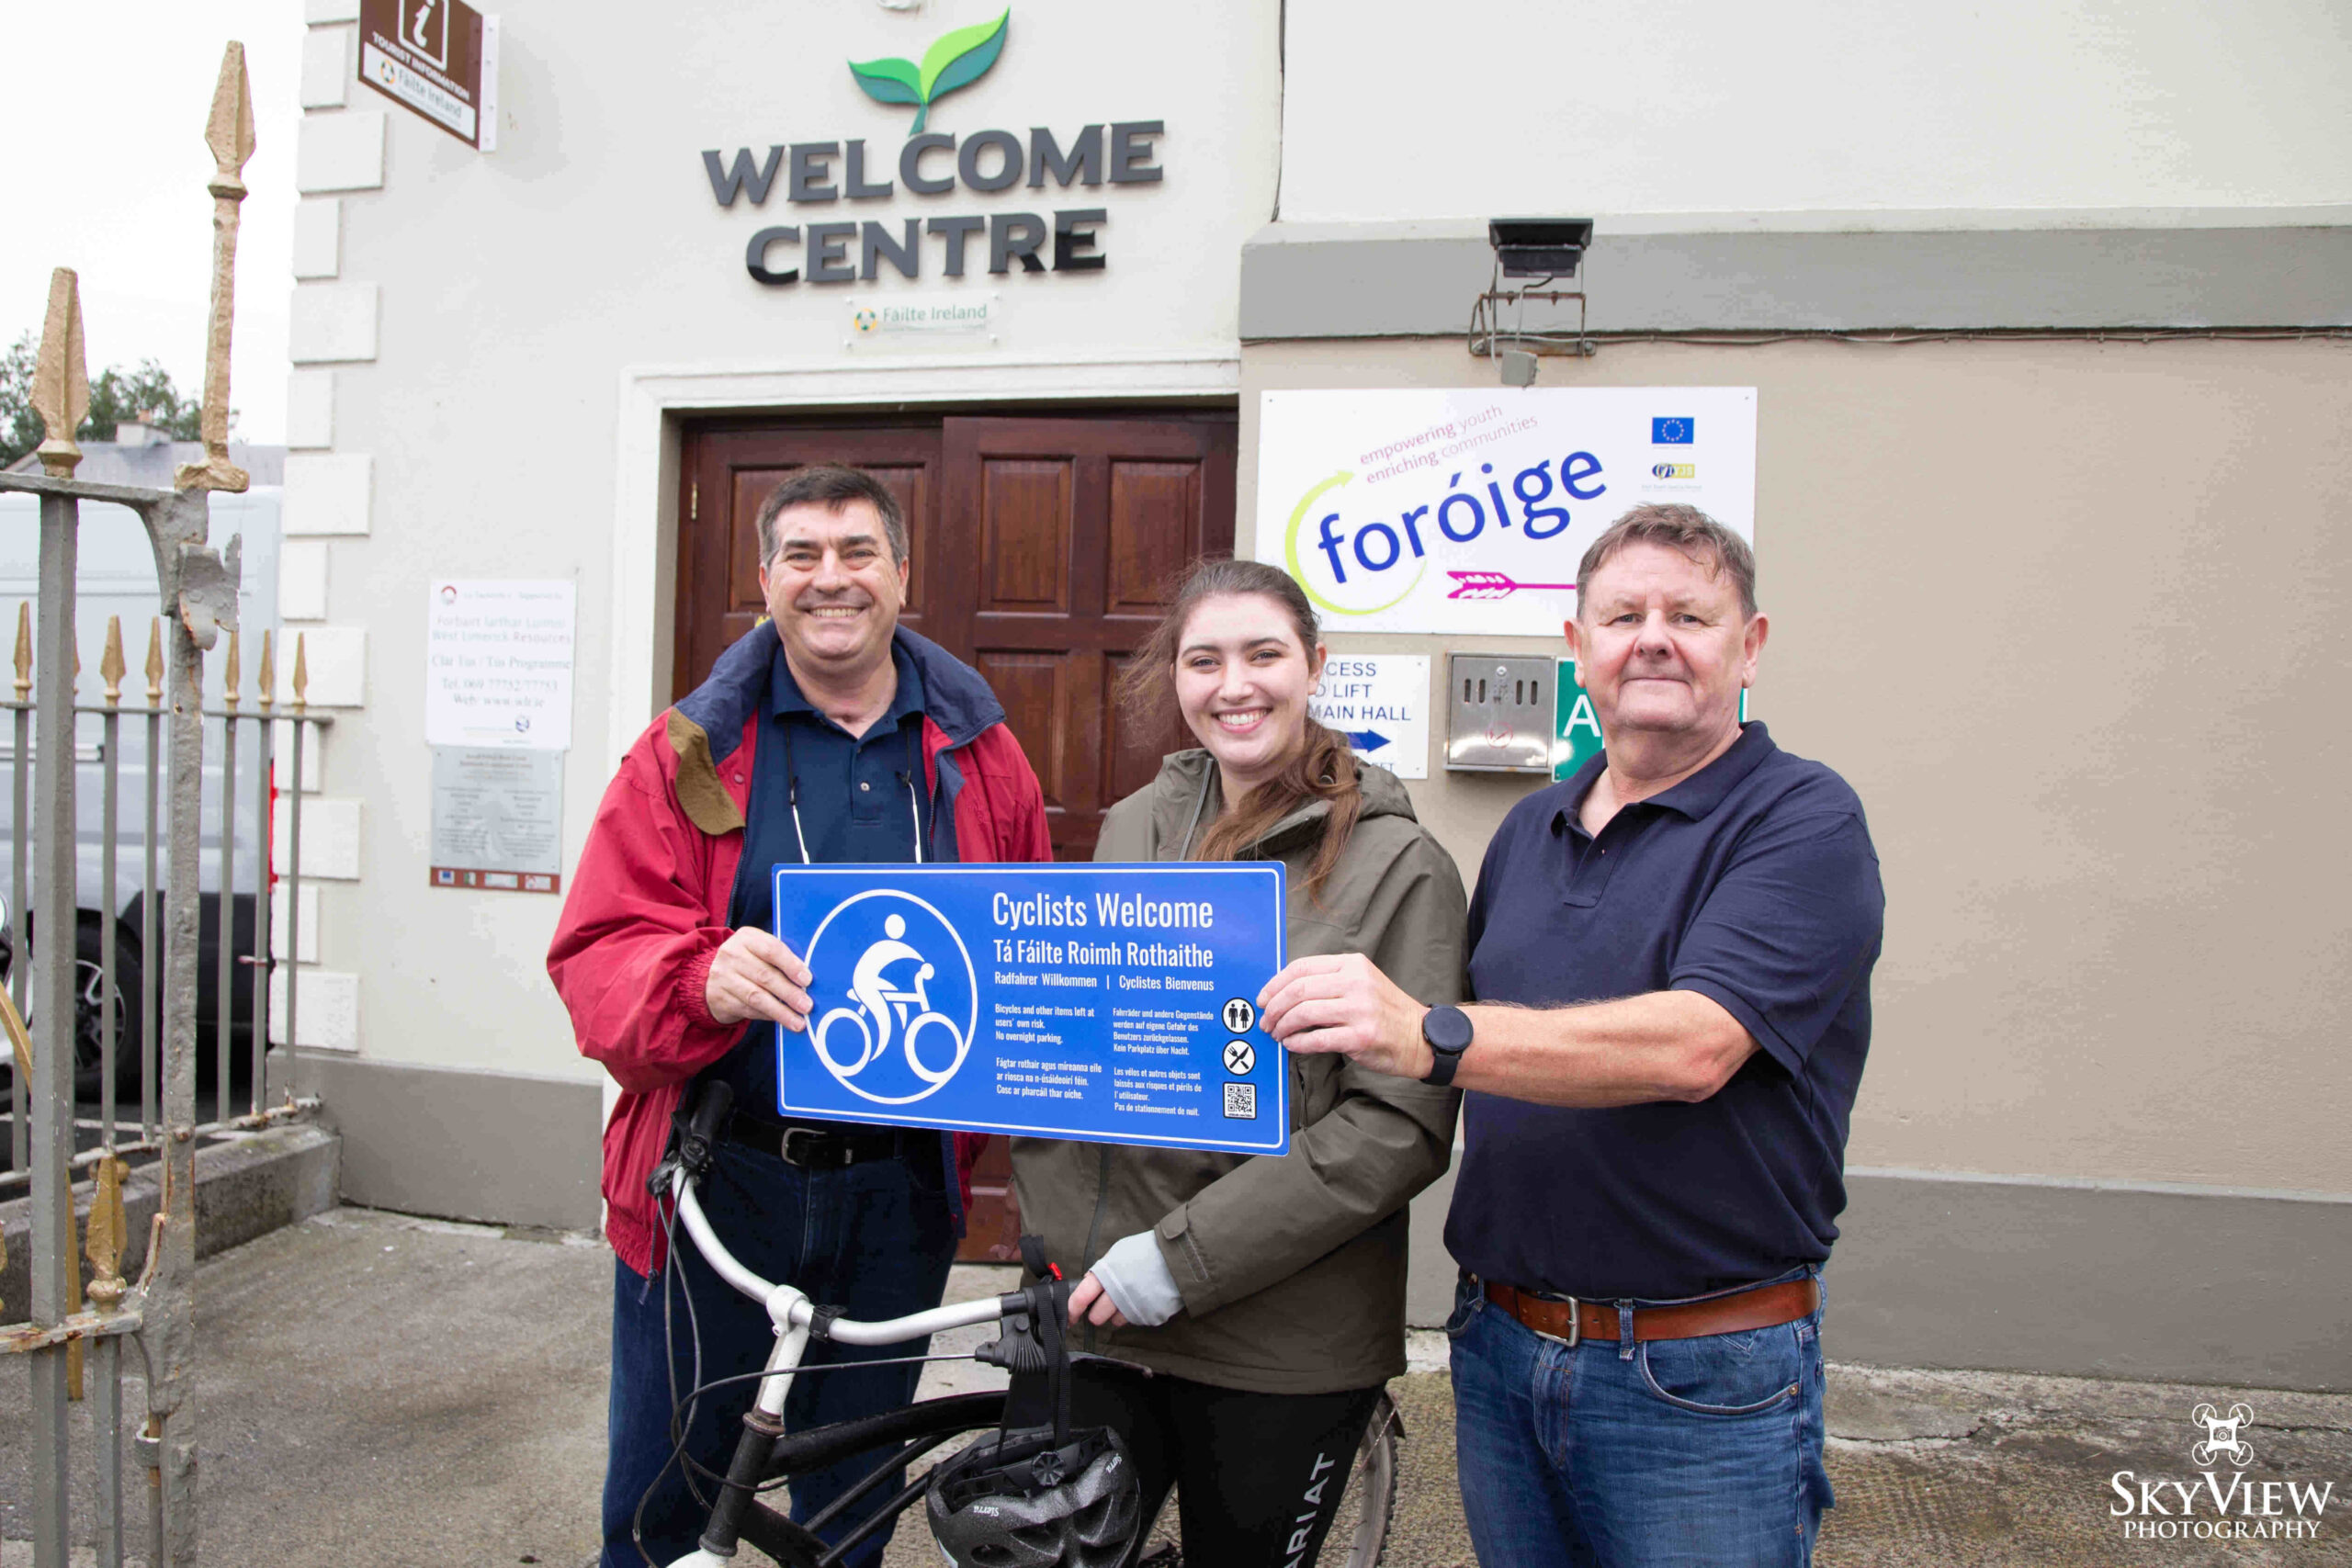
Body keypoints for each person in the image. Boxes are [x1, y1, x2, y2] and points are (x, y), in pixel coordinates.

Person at [1260, 504, 1884, 1568]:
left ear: (1751, 646)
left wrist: (1428, 1033)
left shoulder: (1801, 820)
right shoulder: (1531, 829)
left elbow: (1695, 1046)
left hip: (1697, 1370)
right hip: (1502, 1348)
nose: (1652, 636)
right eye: (1622, 614)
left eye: (1689, 614)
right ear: (1577, 649)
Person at [548, 465, 1051, 1568]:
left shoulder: (980, 750)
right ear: (763, 579)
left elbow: (1034, 953)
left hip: (901, 1190)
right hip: (725, 1184)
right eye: (804, 556)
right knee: (667, 1503)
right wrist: (697, 982)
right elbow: (595, 958)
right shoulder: (688, 751)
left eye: (859, 552)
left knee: (852, 1507)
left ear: (902, 576)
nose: (834, 579)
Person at [1011, 557, 1469, 1566]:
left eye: (1264, 655)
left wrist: (1179, 1262)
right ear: (1174, 676)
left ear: (1314, 665)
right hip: (1098, 1318)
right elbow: (1089, 1043)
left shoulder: (1399, 865)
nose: (1234, 686)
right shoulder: (1133, 826)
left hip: (1279, 1344)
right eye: (1203, 660)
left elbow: (1395, 1128)